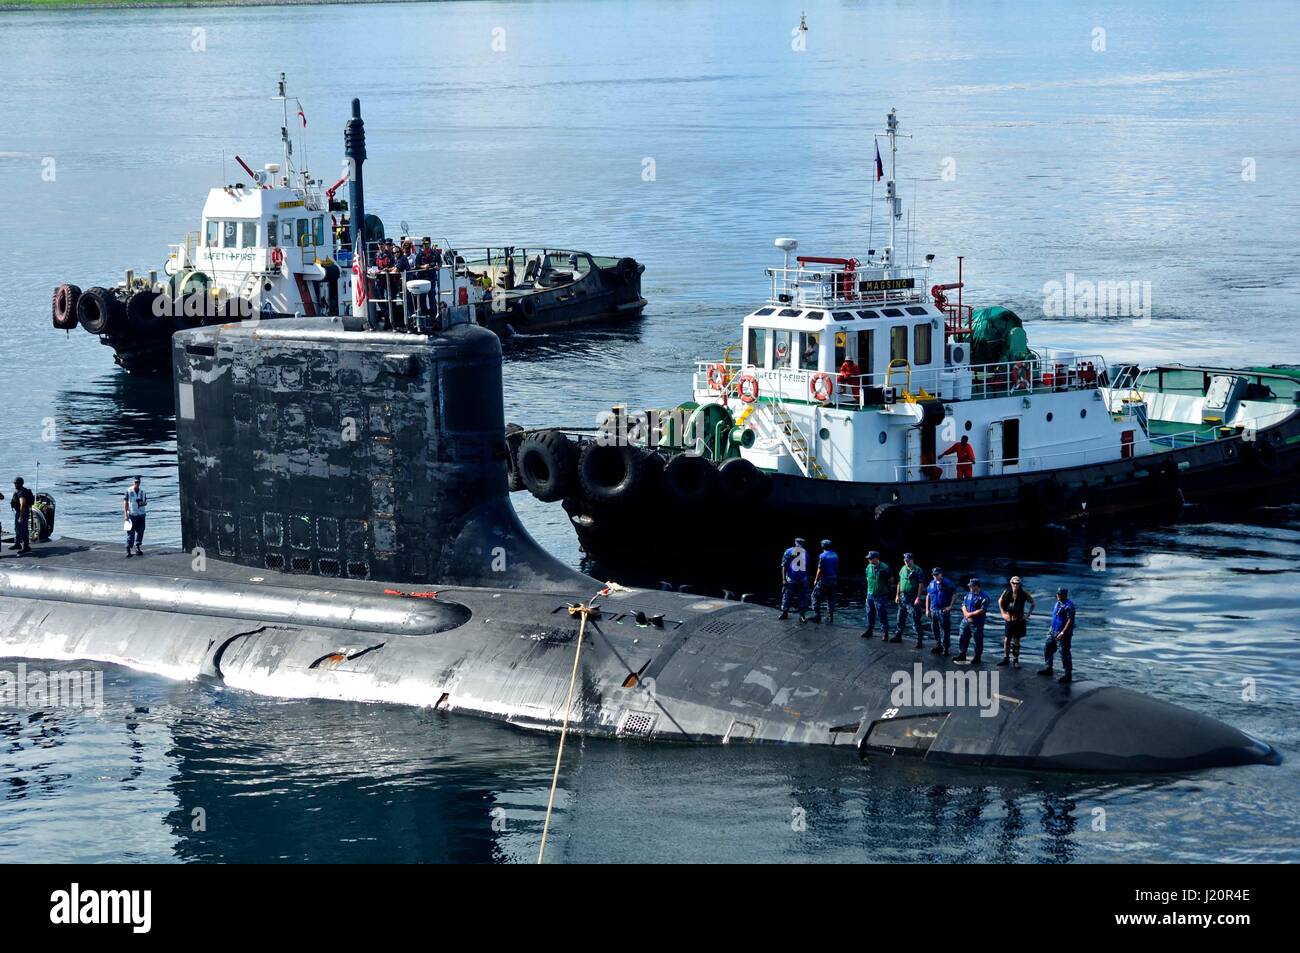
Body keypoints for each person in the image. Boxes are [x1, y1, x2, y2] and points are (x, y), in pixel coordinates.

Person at [997, 575, 1036, 667]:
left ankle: (1016, 660)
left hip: (1019, 620)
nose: (1015, 585)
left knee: (1016, 640)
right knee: (1007, 640)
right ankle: (1006, 658)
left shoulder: (1024, 593)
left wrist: (1027, 615)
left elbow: (1033, 603)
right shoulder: (1007, 592)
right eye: (1014, 583)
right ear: (1011, 583)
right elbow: (1000, 601)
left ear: (1020, 584)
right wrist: (1003, 613)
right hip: (1009, 619)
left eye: (1017, 583)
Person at [1039, 587, 1076, 683]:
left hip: (1063, 633)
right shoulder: (1057, 603)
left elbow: (1070, 621)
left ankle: (1068, 674)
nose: (1057, 596)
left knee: (1064, 653)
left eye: (1059, 594)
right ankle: (1048, 668)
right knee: (1048, 648)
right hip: (1053, 631)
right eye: (1057, 594)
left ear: (1065, 595)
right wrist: (1051, 629)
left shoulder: (1069, 606)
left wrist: (1063, 632)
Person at [953, 578, 990, 664]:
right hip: (966, 621)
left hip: (977, 622)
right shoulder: (968, 595)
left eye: (972, 586)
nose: (970, 588)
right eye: (969, 586)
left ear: (977, 586)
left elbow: (982, 610)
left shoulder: (984, 597)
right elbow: (963, 605)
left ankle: (977, 657)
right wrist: (966, 613)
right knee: (962, 637)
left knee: (977, 640)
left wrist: (970, 614)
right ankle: (962, 654)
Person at [861, 550, 894, 640]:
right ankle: (869, 630)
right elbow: (868, 579)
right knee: (869, 613)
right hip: (870, 594)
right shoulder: (869, 567)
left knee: (882, 614)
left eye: (870, 558)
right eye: (868, 558)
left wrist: (885, 588)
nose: (869, 560)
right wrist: (867, 595)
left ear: (876, 558)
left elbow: (891, 581)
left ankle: (885, 633)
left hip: (881, 595)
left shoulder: (885, 567)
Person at [895, 551, 926, 647]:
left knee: (915, 618)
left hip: (912, 598)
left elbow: (921, 584)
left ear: (912, 560)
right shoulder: (903, 569)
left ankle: (919, 640)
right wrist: (897, 595)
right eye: (905, 560)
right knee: (900, 617)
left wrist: (918, 597)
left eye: (908, 560)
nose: (906, 562)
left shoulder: (918, 570)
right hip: (903, 596)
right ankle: (898, 636)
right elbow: (899, 582)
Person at [926, 567, 957, 655]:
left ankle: (945, 648)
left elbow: (955, 594)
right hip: (933, 610)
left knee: (945, 629)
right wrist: (927, 609)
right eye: (934, 575)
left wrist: (950, 606)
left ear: (941, 574)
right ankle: (938, 645)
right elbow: (928, 596)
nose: (935, 576)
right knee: (934, 628)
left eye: (937, 574)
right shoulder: (931, 583)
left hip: (943, 610)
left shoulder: (948, 583)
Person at [778, 537, 809, 622]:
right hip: (791, 578)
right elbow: (784, 566)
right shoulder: (788, 551)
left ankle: (802, 615)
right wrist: (783, 579)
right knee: (787, 596)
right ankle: (785, 612)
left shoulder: (805, 552)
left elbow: (806, 566)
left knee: (802, 597)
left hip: (802, 579)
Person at [811, 539, 838, 624]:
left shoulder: (822, 555)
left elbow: (820, 569)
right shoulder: (835, 555)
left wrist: (816, 579)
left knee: (815, 596)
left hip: (824, 579)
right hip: (833, 578)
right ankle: (830, 617)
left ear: (823, 546)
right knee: (830, 598)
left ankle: (817, 615)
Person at [123, 475, 147, 557]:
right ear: (133, 482)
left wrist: (140, 503)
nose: (137, 484)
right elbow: (125, 503)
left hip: (141, 514)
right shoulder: (129, 491)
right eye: (135, 482)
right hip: (132, 514)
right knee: (130, 532)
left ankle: (138, 546)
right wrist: (125, 514)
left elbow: (145, 503)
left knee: (141, 531)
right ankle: (128, 548)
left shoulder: (143, 491)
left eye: (138, 482)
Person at [9, 478, 33, 556]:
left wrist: (21, 516)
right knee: (17, 528)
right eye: (14, 483)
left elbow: (22, 504)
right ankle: (17, 543)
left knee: (23, 530)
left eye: (16, 483)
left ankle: (26, 546)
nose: (15, 485)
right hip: (19, 513)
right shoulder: (19, 491)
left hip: (22, 513)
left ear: (20, 483)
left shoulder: (22, 492)